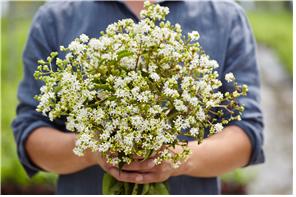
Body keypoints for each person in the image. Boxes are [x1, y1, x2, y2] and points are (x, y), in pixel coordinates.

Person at [12, 0, 264, 195]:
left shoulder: (225, 16)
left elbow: (246, 133)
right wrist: (94, 150)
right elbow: (30, 132)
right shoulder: (55, 18)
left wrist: (177, 159)